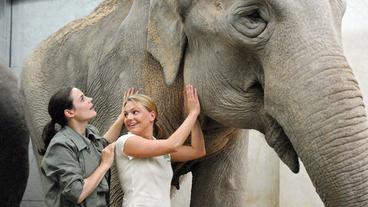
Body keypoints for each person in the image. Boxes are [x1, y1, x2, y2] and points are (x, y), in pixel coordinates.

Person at [40, 87, 135, 207]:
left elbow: (104, 143)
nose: (90, 99)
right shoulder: (60, 146)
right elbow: (77, 193)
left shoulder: (89, 132)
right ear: (70, 113)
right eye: (82, 99)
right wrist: (104, 165)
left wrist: (123, 115)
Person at [115, 84, 206, 207]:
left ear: (152, 115)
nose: (129, 118)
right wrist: (193, 114)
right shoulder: (126, 141)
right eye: (125, 114)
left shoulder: (160, 148)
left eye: (134, 112)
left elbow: (197, 151)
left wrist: (192, 116)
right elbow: (172, 144)